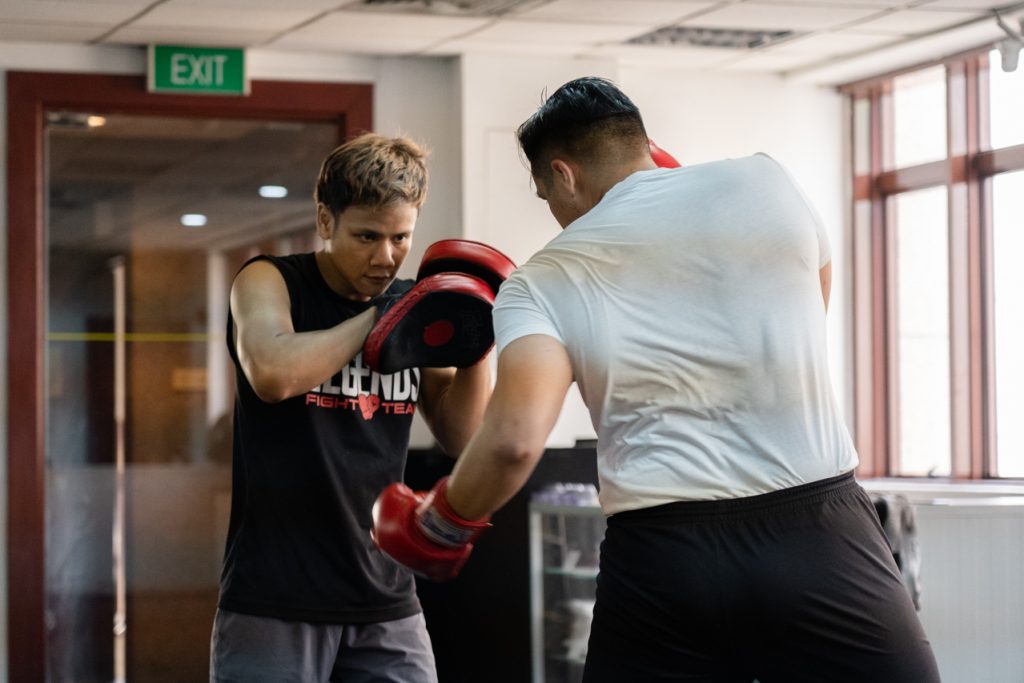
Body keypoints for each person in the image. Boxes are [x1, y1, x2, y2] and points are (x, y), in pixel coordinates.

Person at [372, 77, 941, 682]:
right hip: (820, 534)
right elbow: (809, 304)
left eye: (546, 196)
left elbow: (513, 440)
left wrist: (441, 522)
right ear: (644, 143)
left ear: (563, 174)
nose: (555, 213)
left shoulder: (543, 279)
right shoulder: (768, 181)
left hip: (666, 559)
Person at [209, 133, 492, 683]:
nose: (385, 257)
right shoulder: (270, 281)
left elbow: (462, 436)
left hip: (385, 595)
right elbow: (273, 373)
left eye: (400, 237)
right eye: (367, 236)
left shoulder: (412, 305)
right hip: (276, 598)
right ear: (325, 219)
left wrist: (477, 342)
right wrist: (383, 316)